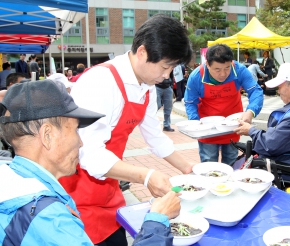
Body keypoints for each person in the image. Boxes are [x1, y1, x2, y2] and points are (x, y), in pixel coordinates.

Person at [58, 14, 194, 245]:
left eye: (171, 68)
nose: (167, 75)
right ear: (142, 52)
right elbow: (88, 153)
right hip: (75, 195)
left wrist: (190, 169)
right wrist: (147, 176)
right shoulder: (101, 82)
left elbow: (155, 137)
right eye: (165, 66)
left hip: (109, 188)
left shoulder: (146, 85)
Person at [0, 80, 182, 246]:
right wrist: (157, 221)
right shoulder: (49, 218)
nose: (80, 143)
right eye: (75, 131)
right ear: (48, 136)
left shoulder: (12, 178)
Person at [235, 63, 290, 179]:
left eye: (280, 87)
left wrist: (251, 131)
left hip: (288, 169)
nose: (278, 91)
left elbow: (270, 145)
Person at [184, 44, 264, 165]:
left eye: (227, 68)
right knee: (209, 164)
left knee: (231, 162)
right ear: (208, 64)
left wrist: (250, 111)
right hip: (207, 129)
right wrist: (195, 122)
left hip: (232, 127)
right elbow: (190, 102)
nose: (223, 74)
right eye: (217, 69)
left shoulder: (239, 70)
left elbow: (255, 91)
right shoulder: (196, 77)